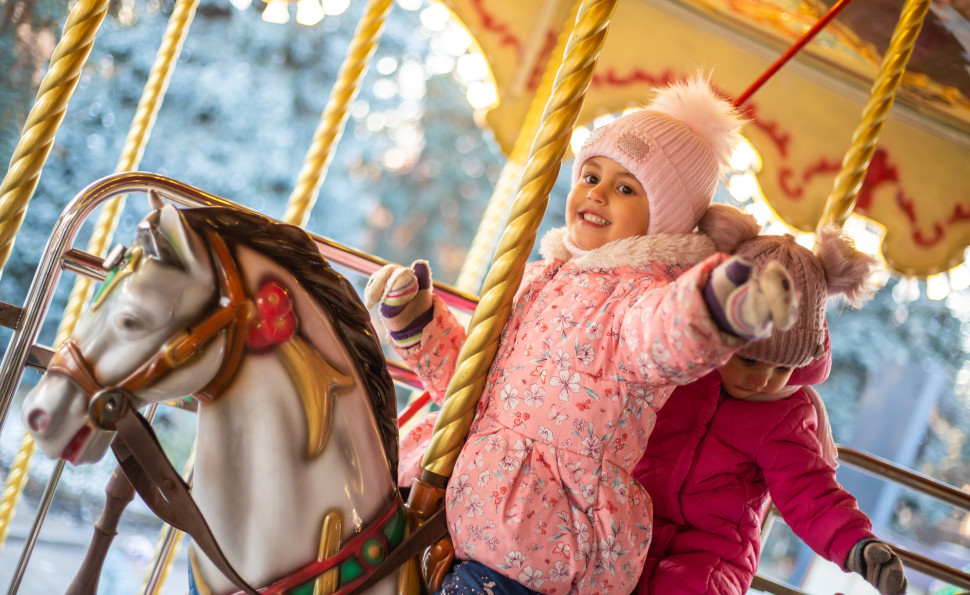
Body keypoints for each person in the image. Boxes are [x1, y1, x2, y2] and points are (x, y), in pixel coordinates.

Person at [365, 74, 796, 594]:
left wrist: (715, 303)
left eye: (624, 188)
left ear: (664, 220)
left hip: (533, 535)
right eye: (591, 175)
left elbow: (668, 337)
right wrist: (418, 321)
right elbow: (467, 382)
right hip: (457, 490)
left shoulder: (640, 300)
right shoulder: (539, 277)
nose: (596, 194)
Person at [633, 229, 909, 595]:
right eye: (748, 358)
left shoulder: (784, 414)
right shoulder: (682, 370)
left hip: (712, 553)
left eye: (782, 368)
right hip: (630, 515)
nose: (763, 380)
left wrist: (856, 544)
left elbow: (809, 491)